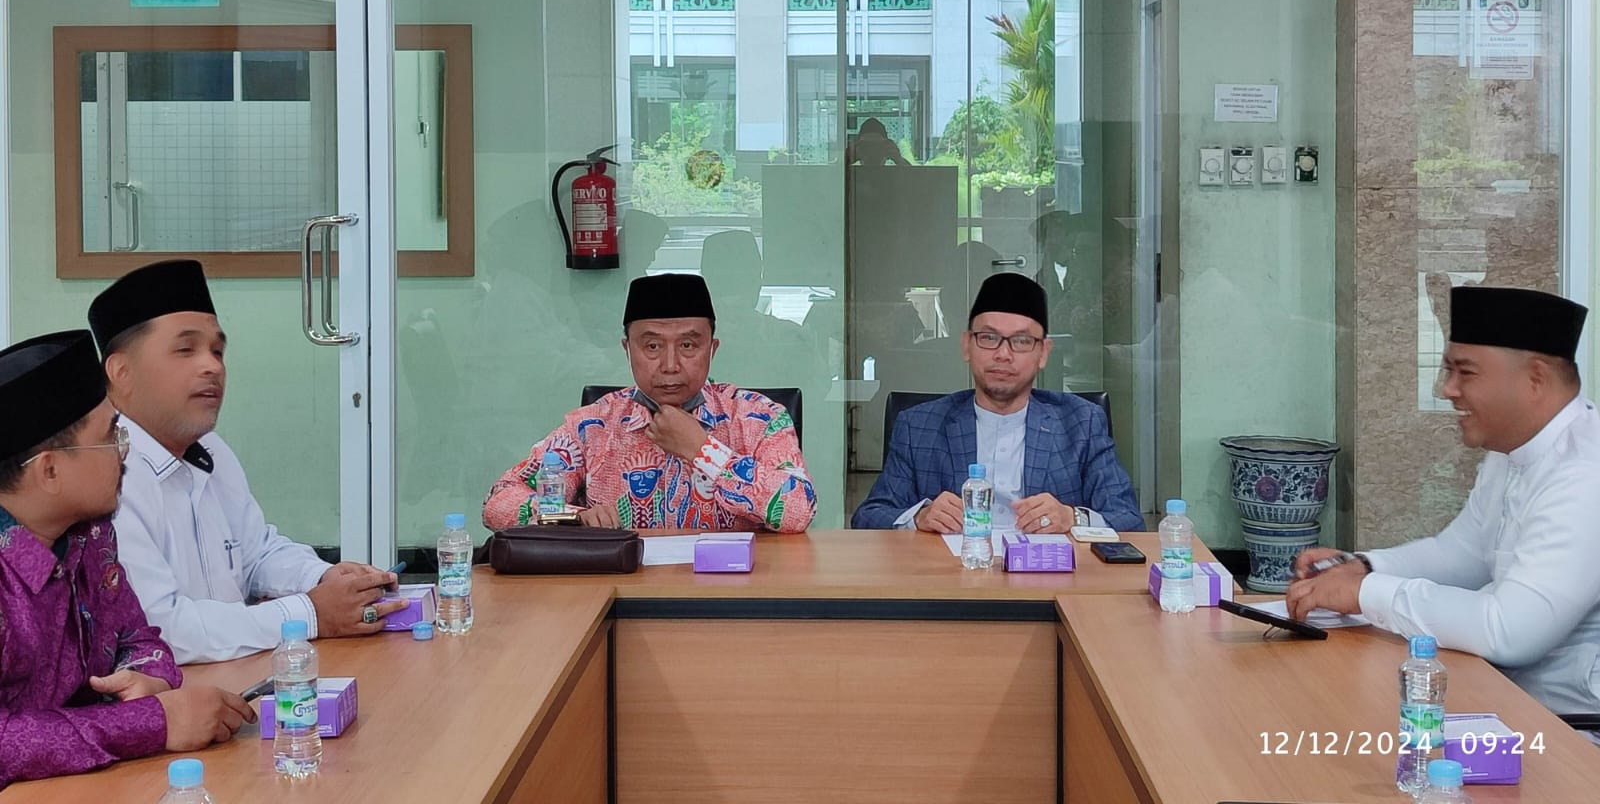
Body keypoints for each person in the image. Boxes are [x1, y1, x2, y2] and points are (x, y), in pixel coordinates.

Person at [1287, 286, 1600, 722]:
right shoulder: (1513, 451)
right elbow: (1463, 552)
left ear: (1535, 380)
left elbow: (1510, 631)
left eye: (1465, 372)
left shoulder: (1586, 473)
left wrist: (1366, 593)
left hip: (1575, 730)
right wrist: (1364, 566)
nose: (1446, 389)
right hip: (1504, 698)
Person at [93, 260, 403, 665]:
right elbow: (161, 628)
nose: (212, 366)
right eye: (185, 349)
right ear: (122, 371)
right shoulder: (103, 475)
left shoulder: (212, 450)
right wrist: (310, 613)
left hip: (241, 676)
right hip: (167, 701)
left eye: (217, 351)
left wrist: (325, 578)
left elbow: (257, 553)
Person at [0, 329, 253, 788]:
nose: (126, 450)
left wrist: (148, 679)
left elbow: (139, 636)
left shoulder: (89, 537)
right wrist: (152, 723)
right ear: (50, 470)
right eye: (110, 436)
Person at [483, 273, 816, 532]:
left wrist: (702, 450)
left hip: (730, 597)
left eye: (688, 345)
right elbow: (500, 501)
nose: (670, 365)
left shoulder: (759, 419)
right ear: (628, 350)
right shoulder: (592, 426)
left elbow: (798, 510)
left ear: (712, 350)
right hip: (620, 598)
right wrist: (574, 516)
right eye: (652, 347)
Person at [852, 273, 1143, 533]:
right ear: (967, 345)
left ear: (1043, 352)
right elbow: (868, 517)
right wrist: (920, 517)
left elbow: (1129, 518)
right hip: (952, 582)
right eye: (989, 337)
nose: (1003, 354)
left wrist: (1071, 517)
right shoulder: (918, 425)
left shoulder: (1082, 422)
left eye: (1021, 341)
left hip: (1050, 583)